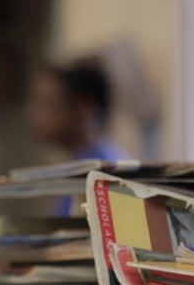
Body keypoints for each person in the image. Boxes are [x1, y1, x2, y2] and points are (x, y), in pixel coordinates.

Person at [28, 57, 128, 215]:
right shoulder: (78, 167)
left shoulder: (103, 171)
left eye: (48, 103)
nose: (35, 114)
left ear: (83, 108)